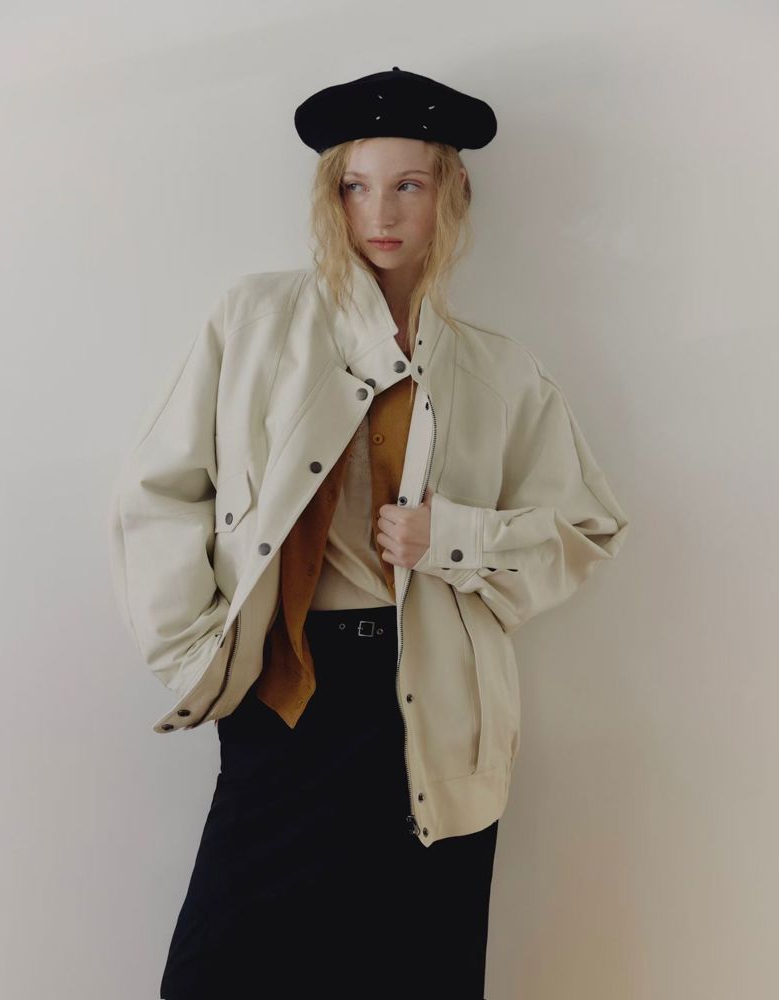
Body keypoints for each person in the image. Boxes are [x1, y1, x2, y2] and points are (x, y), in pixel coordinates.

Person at [108, 67, 630, 999]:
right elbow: (158, 490)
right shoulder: (256, 319)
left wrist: (451, 538)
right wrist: (192, 647)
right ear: (331, 197)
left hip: (436, 706)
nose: (379, 213)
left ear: (449, 195)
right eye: (355, 186)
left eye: (407, 185)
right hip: (289, 690)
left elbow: (584, 530)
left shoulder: (498, 370)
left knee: (414, 970)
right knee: (218, 973)